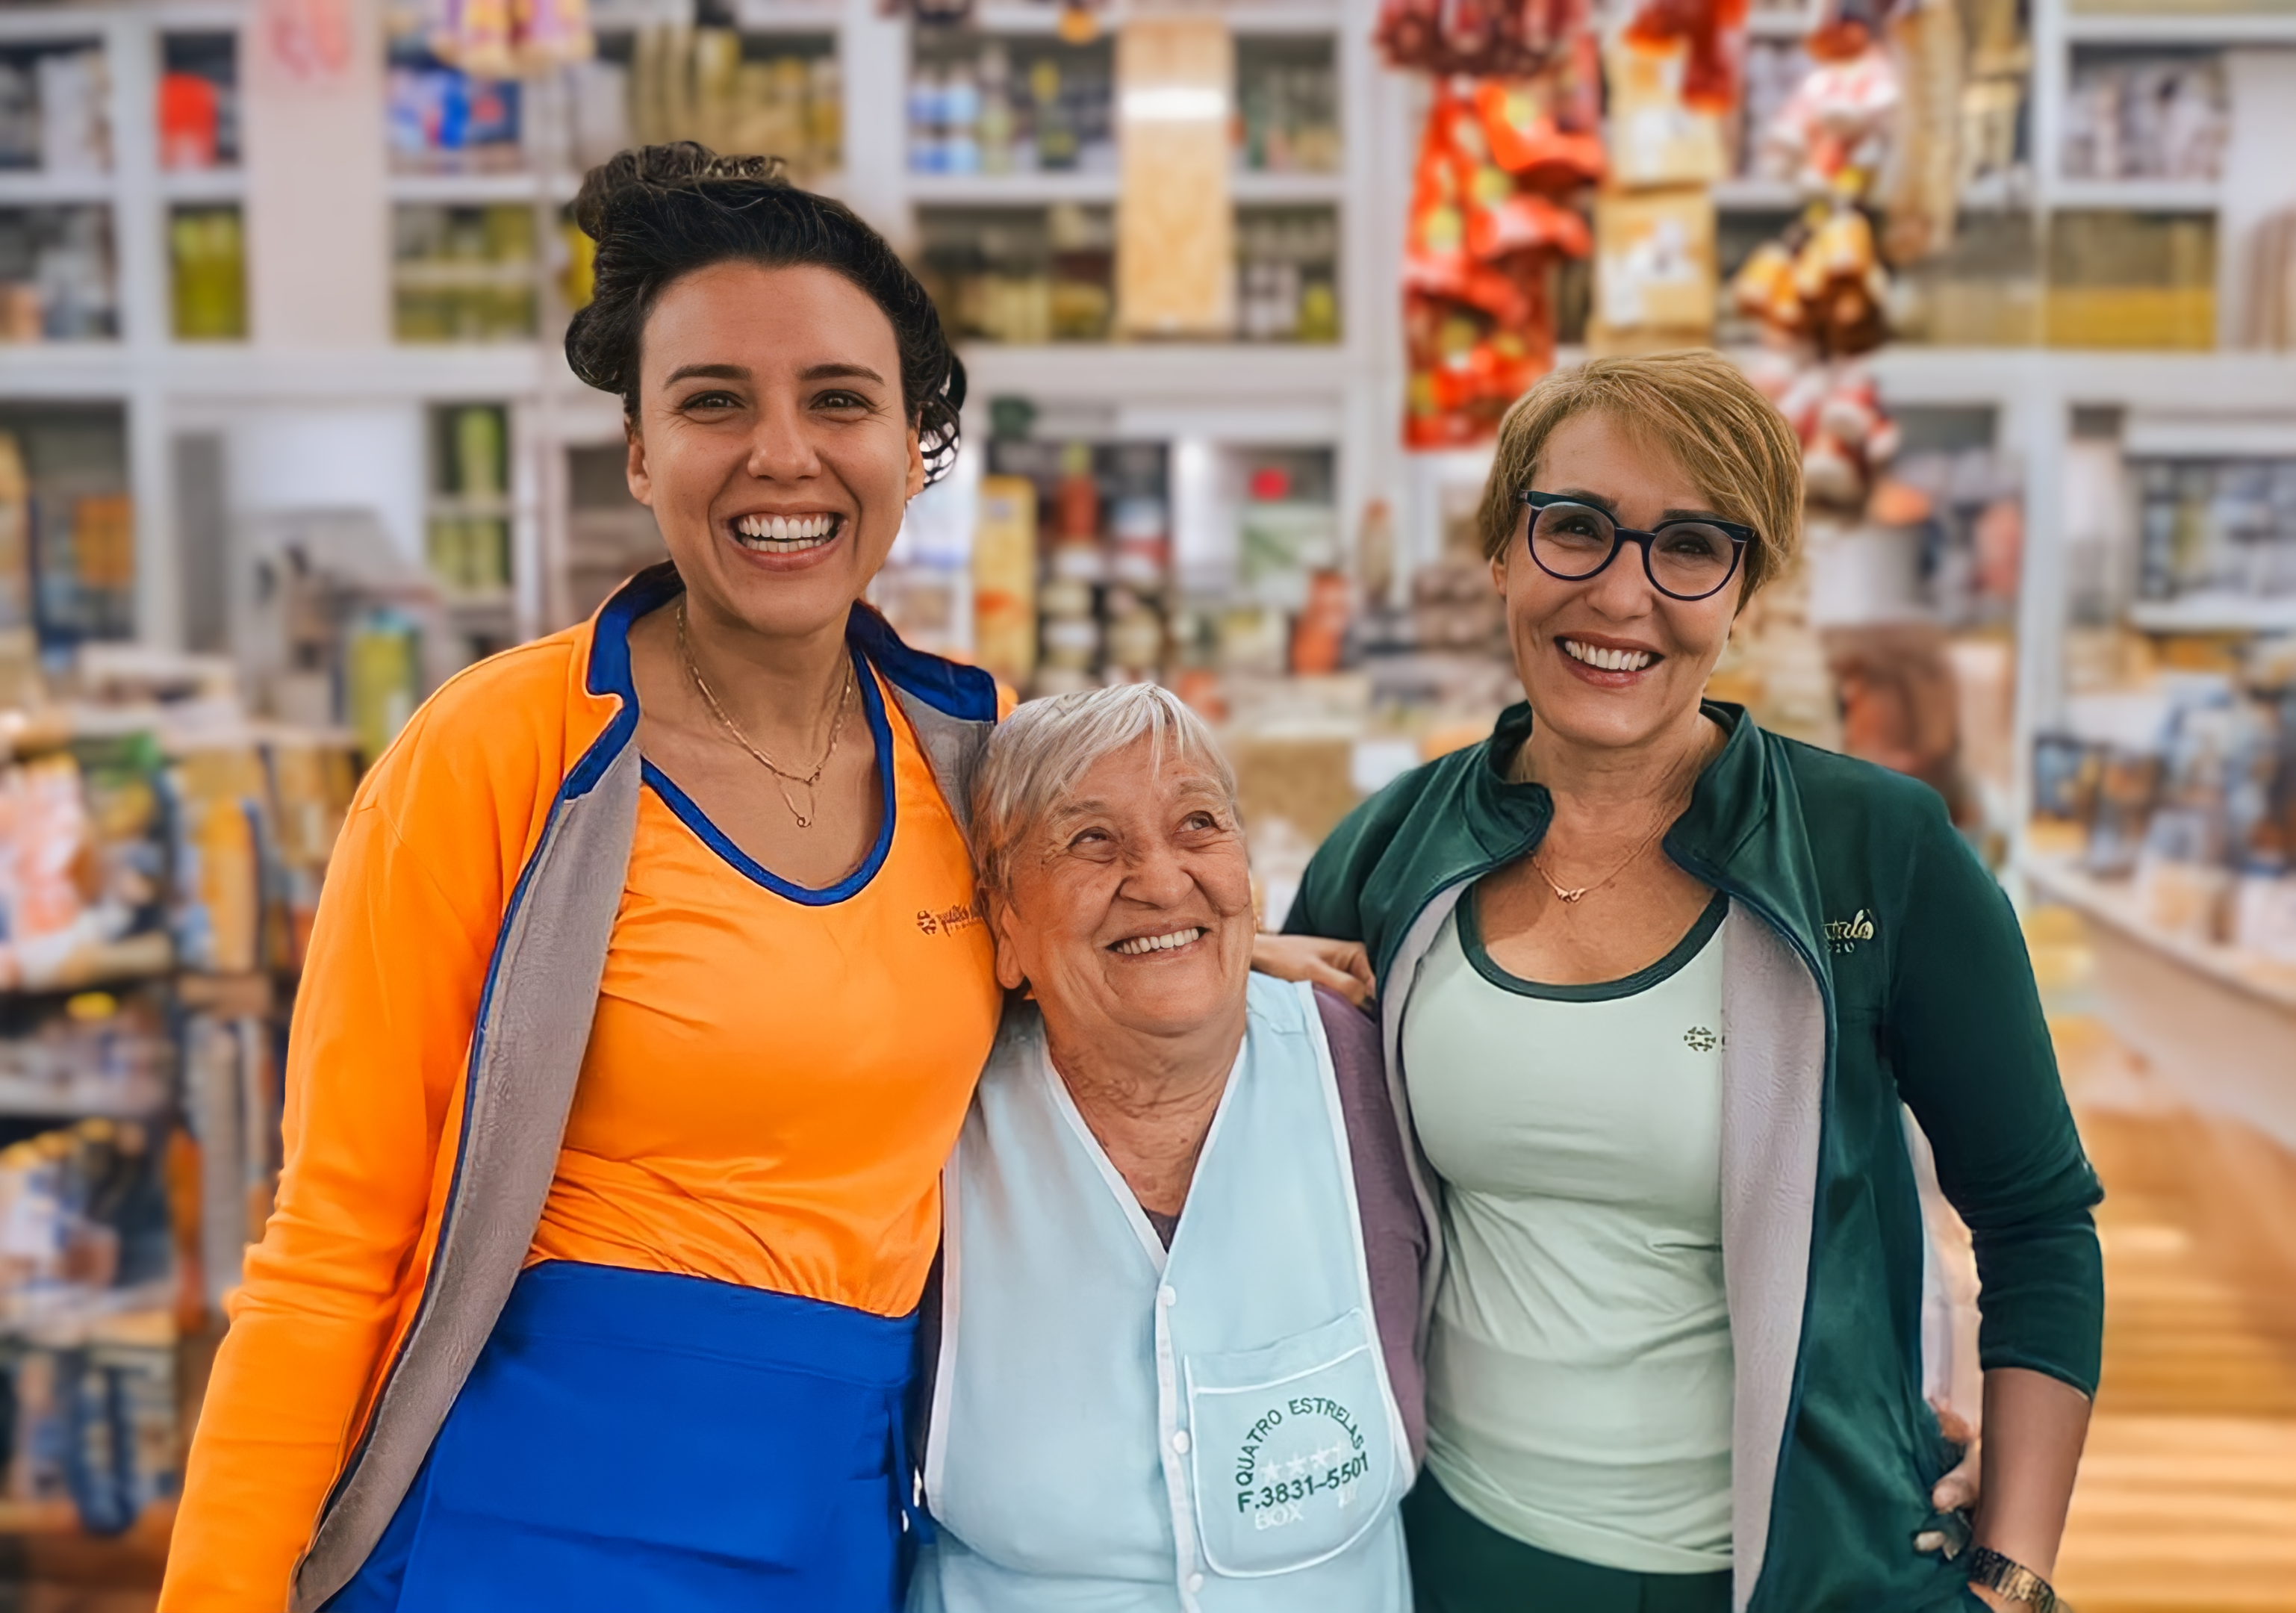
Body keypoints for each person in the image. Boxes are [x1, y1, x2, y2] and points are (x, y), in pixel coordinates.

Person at [161, 146, 1007, 1612]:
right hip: (523, 1517)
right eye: (712, 401)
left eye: (839, 400)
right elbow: (332, 1237)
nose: (781, 454)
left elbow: (1120, 959)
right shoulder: (499, 751)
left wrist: (1235, 953)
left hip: (833, 1515)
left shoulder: (970, 768)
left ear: (913, 445)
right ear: (637, 453)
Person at [1285, 351, 2098, 1613]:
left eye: (1691, 548)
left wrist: (2014, 1565)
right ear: (1501, 551)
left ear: (1747, 594)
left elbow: (2039, 1221)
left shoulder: (1875, 851)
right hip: (1457, 1554)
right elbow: (1275, 1181)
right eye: (1574, 530)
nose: (1622, 596)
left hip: (1805, 1569)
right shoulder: (1395, 850)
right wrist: (1238, 971)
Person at [911, 685, 1427, 1612]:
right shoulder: (931, 1113)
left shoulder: (1368, 1068)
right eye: (1089, 841)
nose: (1157, 876)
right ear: (1004, 926)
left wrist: (1216, 950)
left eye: (1198, 825)